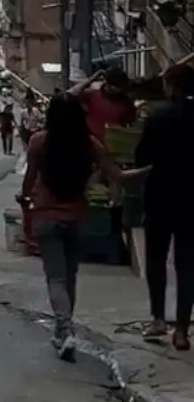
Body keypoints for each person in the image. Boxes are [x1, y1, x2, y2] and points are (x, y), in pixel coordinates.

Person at [18, 94, 142, 361]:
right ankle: (64, 331)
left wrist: (24, 197)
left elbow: (28, 183)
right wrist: (154, 169)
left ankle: (64, 329)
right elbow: (119, 177)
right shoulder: (89, 145)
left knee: (56, 278)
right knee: (70, 275)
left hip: (46, 218)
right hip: (77, 218)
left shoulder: (39, 142)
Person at [135, 65, 194, 350]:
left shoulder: (158, 117)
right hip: (192, 200)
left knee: (156, 259)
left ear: (171, 87)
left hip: (159, 196)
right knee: (187, 264)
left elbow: (142, 156)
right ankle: (182, 330)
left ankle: (158, 319)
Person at [68, 66, 136, 142]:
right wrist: (92, 78)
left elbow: (131, 126)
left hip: (114, 146)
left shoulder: (126, 103)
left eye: (117, 86)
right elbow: (70, 95)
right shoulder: (93, 95)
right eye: (110, 84)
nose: (113, 87)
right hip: (91, 144)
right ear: (105, 82)